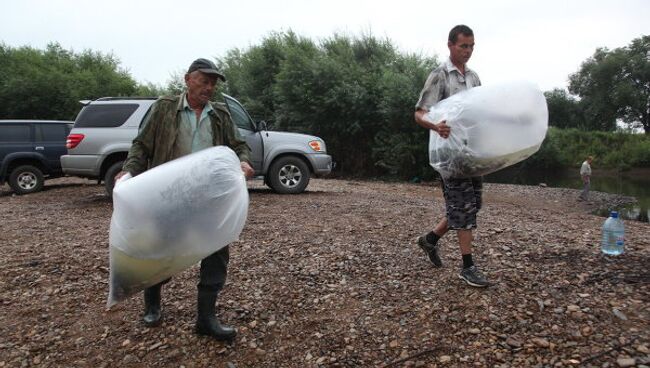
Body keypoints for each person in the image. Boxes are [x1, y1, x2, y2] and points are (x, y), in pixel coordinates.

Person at [115, 58, 254, 342]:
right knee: (158, 248)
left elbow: (238, 145)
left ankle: (206, 318)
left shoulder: (221, 114)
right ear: (187, 79)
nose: (209, 87)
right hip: (168, 194)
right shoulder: (165, 108)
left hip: (207, 196)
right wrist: (129, 170)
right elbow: (141, 144)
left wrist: (243, 161)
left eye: (213, 83)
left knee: (215, 252)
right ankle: (152, 305)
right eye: (204, 81)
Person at [413, 25, 488, 287]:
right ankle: (468, 267)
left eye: (471, 46)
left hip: (471, 153)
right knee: (464, 208)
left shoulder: (475, 78)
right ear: (450, 45)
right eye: (463, 46)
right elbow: (419, 113)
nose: (467, 51)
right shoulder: (439, 76)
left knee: (472, 205)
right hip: (448, 157)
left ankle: (430, 240)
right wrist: (435, 125)